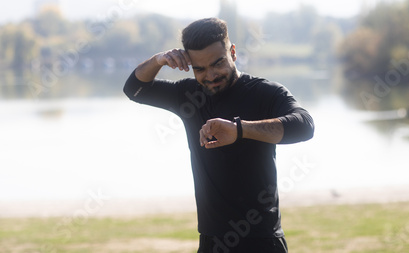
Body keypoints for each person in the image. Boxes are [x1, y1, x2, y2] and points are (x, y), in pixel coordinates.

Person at [123, 17, 315, 253]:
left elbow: (305, 125)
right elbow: (134, 89)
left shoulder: (265, 93)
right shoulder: (189, 96)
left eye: (218, 63)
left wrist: (239, 129)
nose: (211, 75)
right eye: (200, 69)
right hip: (211, 241)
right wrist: (159, 60)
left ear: (232, 52)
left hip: (262, 241)